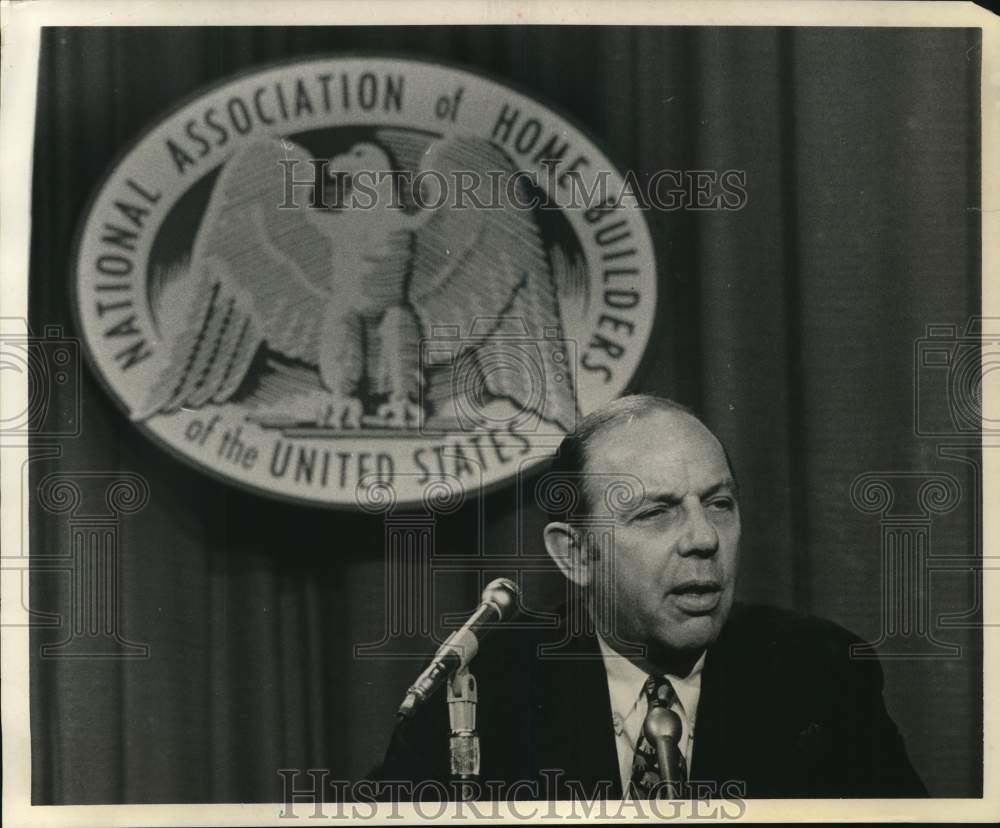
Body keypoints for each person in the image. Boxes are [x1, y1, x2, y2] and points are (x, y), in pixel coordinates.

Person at [373, 395, 927, 800]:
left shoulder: (821, 674)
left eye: (719, 504)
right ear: (576, 555)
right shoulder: (480, 694)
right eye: (656, 513)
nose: (703, 538)